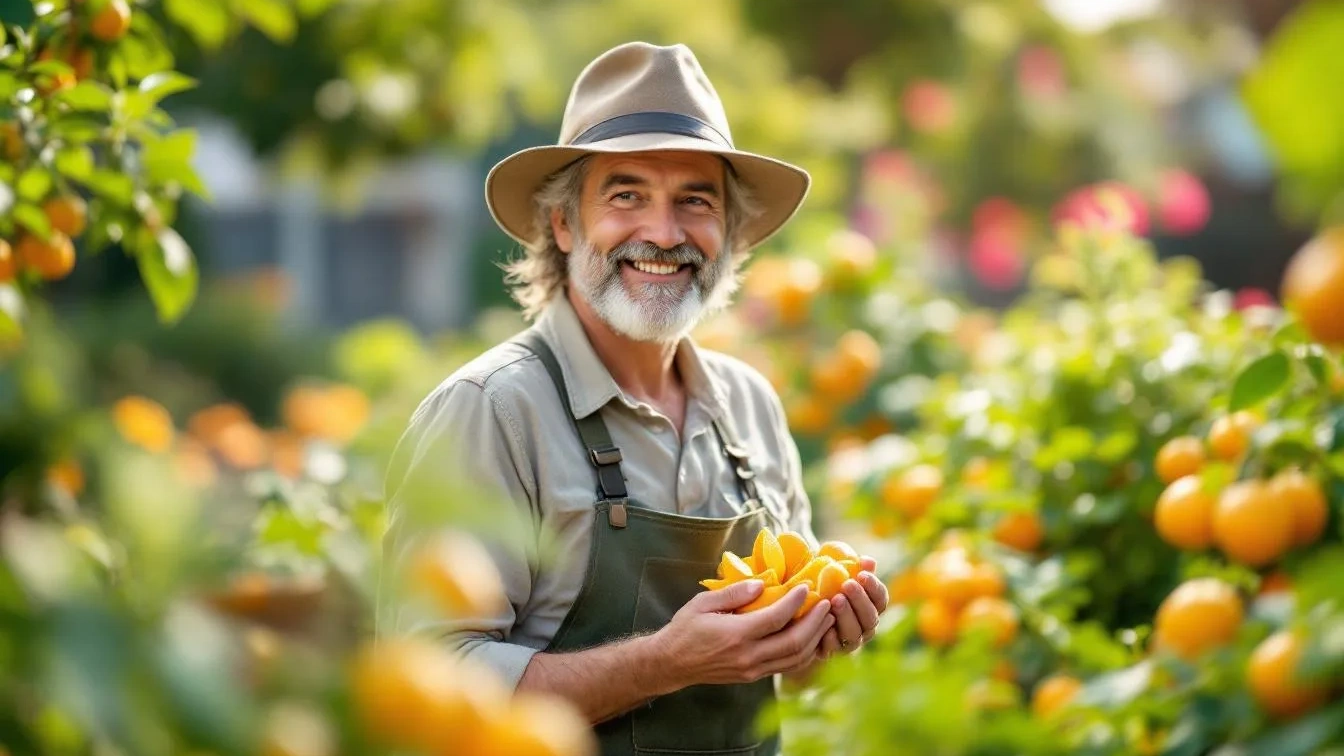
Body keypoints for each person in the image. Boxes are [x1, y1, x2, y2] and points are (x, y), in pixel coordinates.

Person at [383, 41, 889, 755]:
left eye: (696, 201)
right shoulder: (492, 410)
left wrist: (817, 641)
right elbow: (431, 690)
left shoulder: (750, 407)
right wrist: (665, 662)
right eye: (627, 196)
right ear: (564, 224)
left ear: (731, 233)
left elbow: (791, 679)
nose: (663, 233)